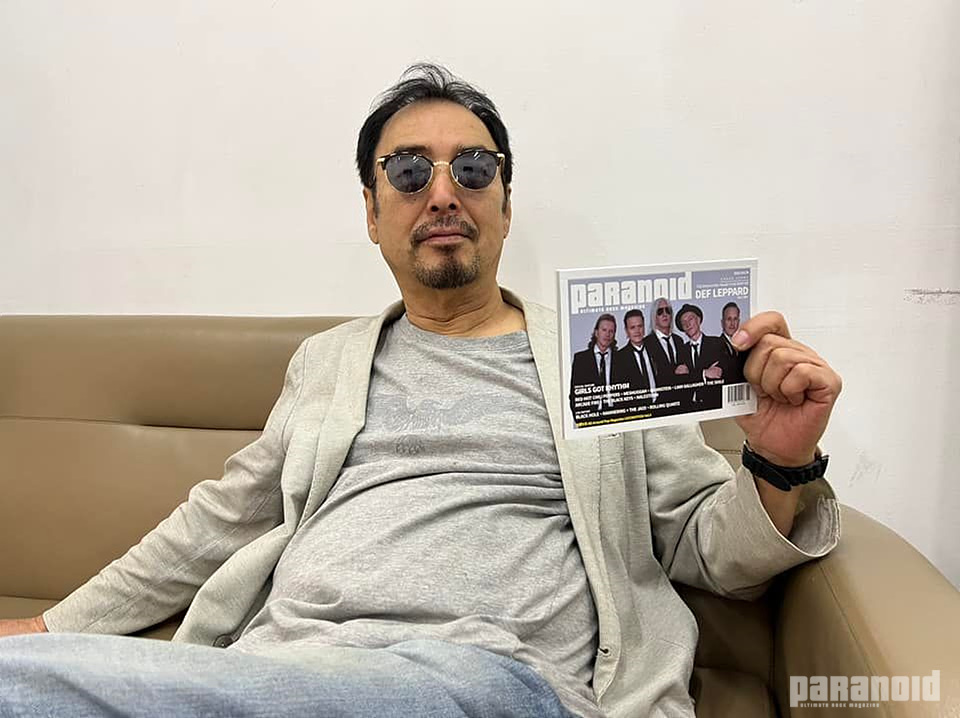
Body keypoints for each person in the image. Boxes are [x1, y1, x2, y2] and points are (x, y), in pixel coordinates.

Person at [0, 64, 843, 718]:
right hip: (284, 667)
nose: (443, 193)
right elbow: (218, 520)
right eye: (408, 172)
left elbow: (711, 554)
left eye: (473, 169)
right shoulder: (327, 362)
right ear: (372, 212)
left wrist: (779, 460)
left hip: (489, 675)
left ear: (504, 205)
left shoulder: (598, 357)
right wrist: (48, 630)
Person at [675, 303, 729, 410]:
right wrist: (705, 373)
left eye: (690, 319)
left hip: (714, 404)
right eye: (684, 322)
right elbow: (680, 380)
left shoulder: (716, 343)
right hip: (688, 406)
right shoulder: (680, 351)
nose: (687, 324)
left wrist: (691, 373)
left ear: (699, 320)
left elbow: (722, 372)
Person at [641, 297, 691, 409]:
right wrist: (675, 371)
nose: (665, 314)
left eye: (668, 310)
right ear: (654, 317)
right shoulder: (647, 343)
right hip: (660, 404)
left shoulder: (679, 340)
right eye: (660, 311)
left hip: (683, 402)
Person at [569, 313, 618, 424]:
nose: (607, 334)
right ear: (596, 332)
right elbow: (574, 394)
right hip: (590, 418)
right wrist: (581, 420)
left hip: (616, 416)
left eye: (611, 331)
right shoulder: (580, 359)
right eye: (604, 330)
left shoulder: (621, 358)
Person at [611, 308, 661, 418]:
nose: (637, 331)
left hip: (661, 410)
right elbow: (619, 396)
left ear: (644, 327)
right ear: (626, 331)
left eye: (640, 326)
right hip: (636, 415)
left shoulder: (655, 347)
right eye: (632, 327)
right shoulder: (618, 358)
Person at [720, 301, 746, 384]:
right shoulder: (715, 346)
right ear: (722, 322)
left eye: (735, 319)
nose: (732, 324)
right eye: (729, 319)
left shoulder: (746, 345)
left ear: (739, 321)